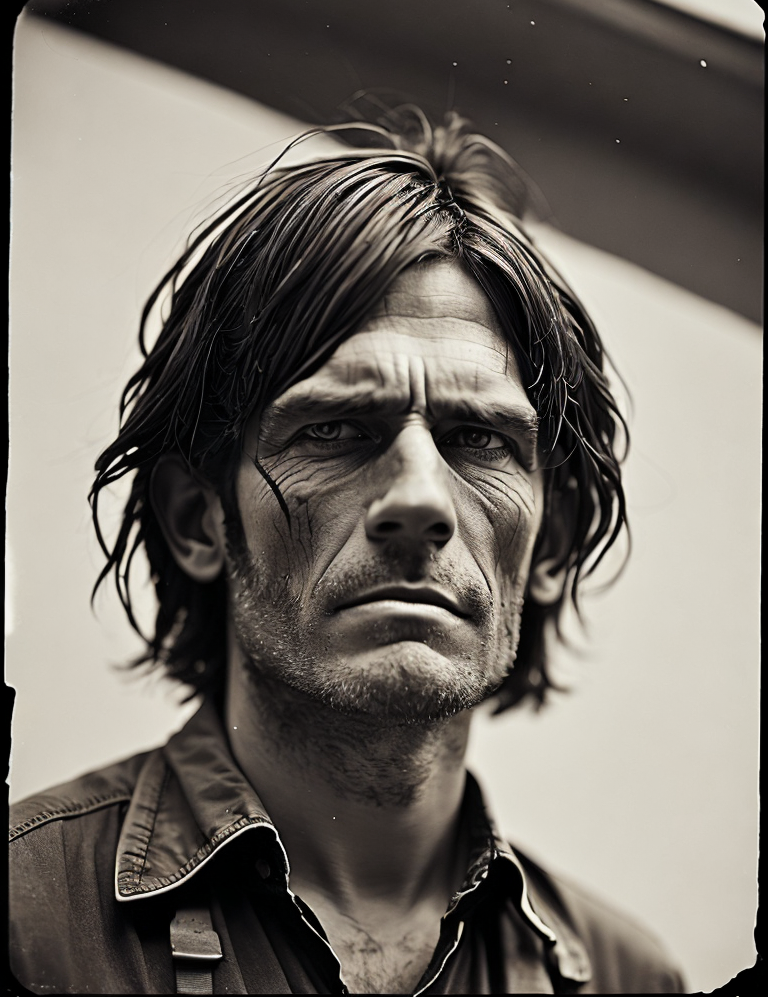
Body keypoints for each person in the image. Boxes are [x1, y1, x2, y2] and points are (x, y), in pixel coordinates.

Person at [9, 107, 685, 994]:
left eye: (479, 439)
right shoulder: (23, 923)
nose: (417, 497)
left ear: (550, 542)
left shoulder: (629, 981)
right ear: (199, 519)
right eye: (335, 429)